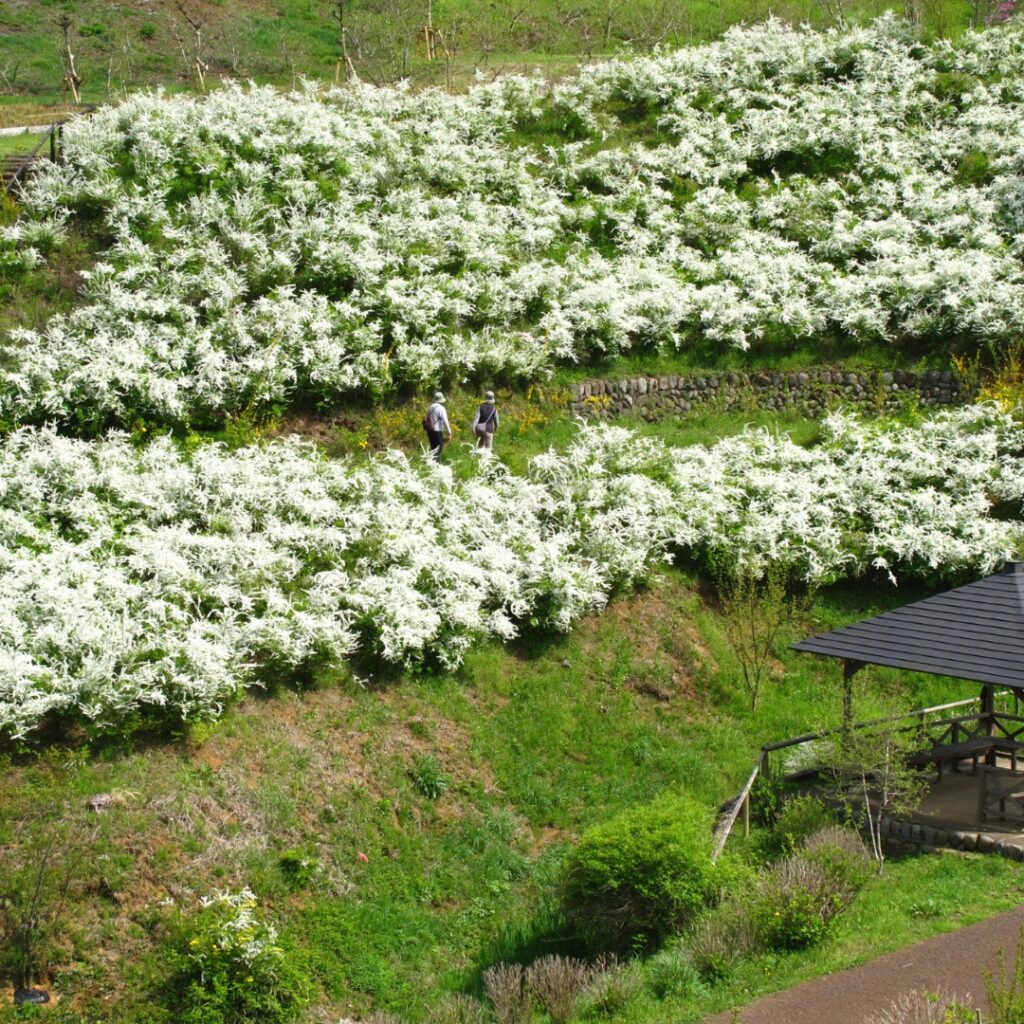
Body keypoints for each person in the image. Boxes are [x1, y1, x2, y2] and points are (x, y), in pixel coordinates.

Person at [423, 391, 451, 462]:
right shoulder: (441, 408)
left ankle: (432, 464)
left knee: (433, 448)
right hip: (437, 430)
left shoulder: (431, 406)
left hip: (429, 430)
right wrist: (449, 432)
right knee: (439, 448)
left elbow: (426, 417)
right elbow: (445, 421)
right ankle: (435, 464)